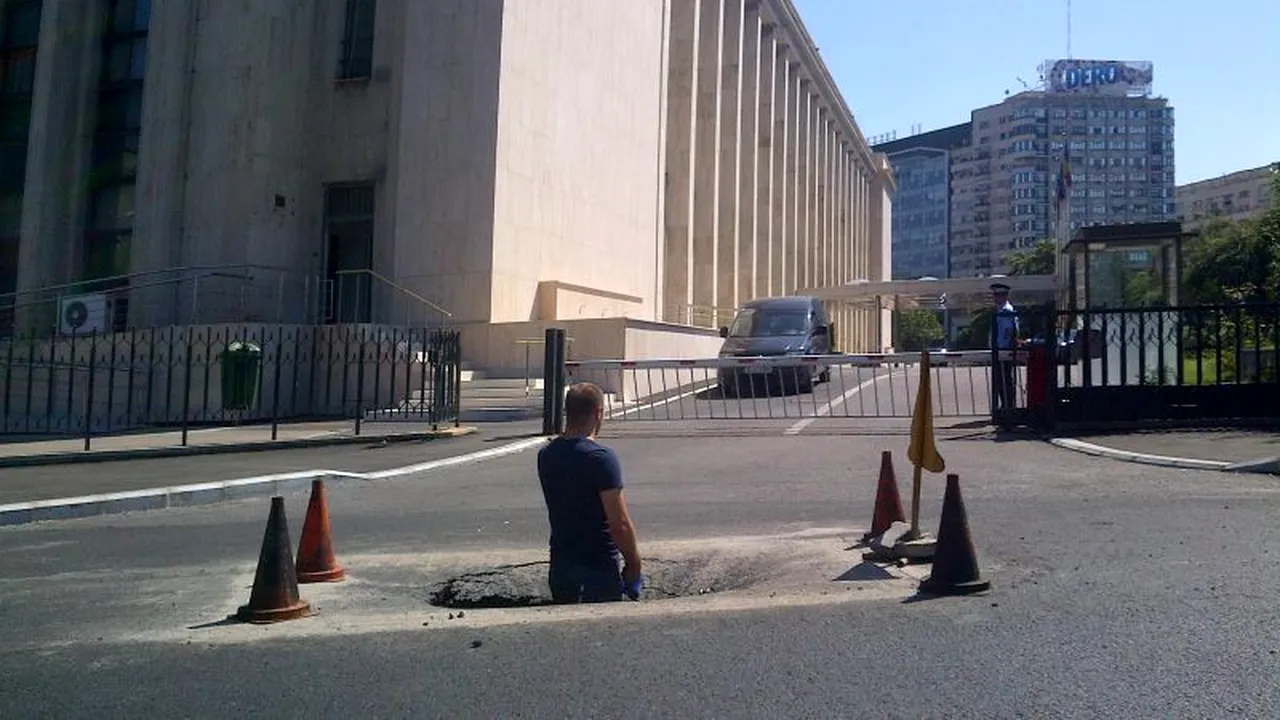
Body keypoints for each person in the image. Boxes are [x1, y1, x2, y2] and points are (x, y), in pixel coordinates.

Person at [536, 382, 644, 603]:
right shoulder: (601, 458)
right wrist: (634, 565)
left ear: (568, 412)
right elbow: (619, 524)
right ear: (598, 413)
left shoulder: (546, 454)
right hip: (598, 568)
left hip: (561, 566)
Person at [990, 282, 1020, 420]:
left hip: (1003, 349)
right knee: (1001, 380)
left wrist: (1007, 347)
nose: (996, 298)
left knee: (1004, 379)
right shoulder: (1000, 310)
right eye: (995, 295)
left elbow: (1009, 330)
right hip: (999, 348)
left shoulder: (1006, 310)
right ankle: (1005, 406)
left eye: (999, 295)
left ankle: (1007, 407)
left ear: (1005, 296)